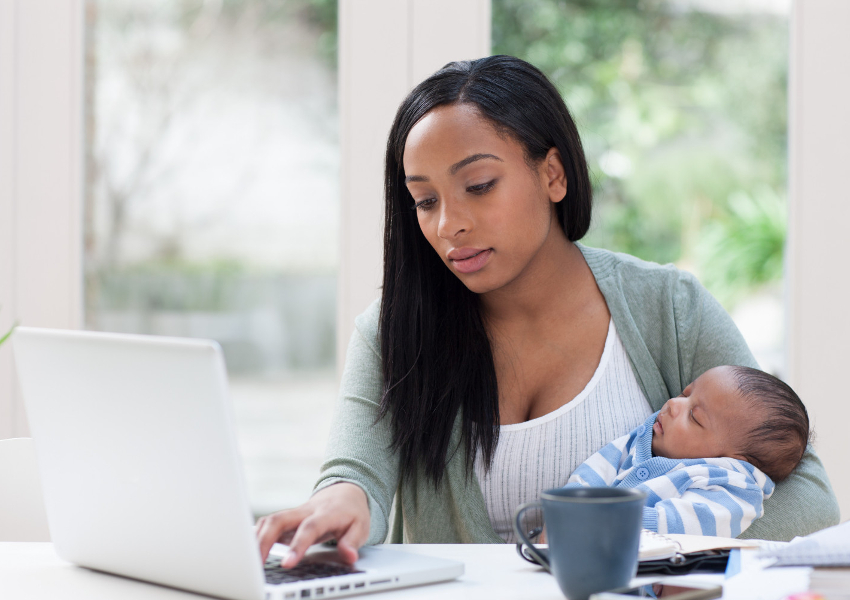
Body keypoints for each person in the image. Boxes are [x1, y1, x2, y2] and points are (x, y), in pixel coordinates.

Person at [256, 55, 839, 567]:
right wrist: (339, 500)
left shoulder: (669, 308)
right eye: (425, 200)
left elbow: (810, 500)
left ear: (553, 174)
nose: (447, 224)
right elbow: (356, 475)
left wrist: (620, 541)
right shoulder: (391, 331)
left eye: (479, 185)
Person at [562, 365, 810, 537]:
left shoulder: (732, 489)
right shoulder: (645, 437)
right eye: (685, 393)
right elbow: (598, 467)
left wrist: (600, 521)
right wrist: (566, 508)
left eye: (694, 416)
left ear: (730, 459)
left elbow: (678, 525)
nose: (673, 404)